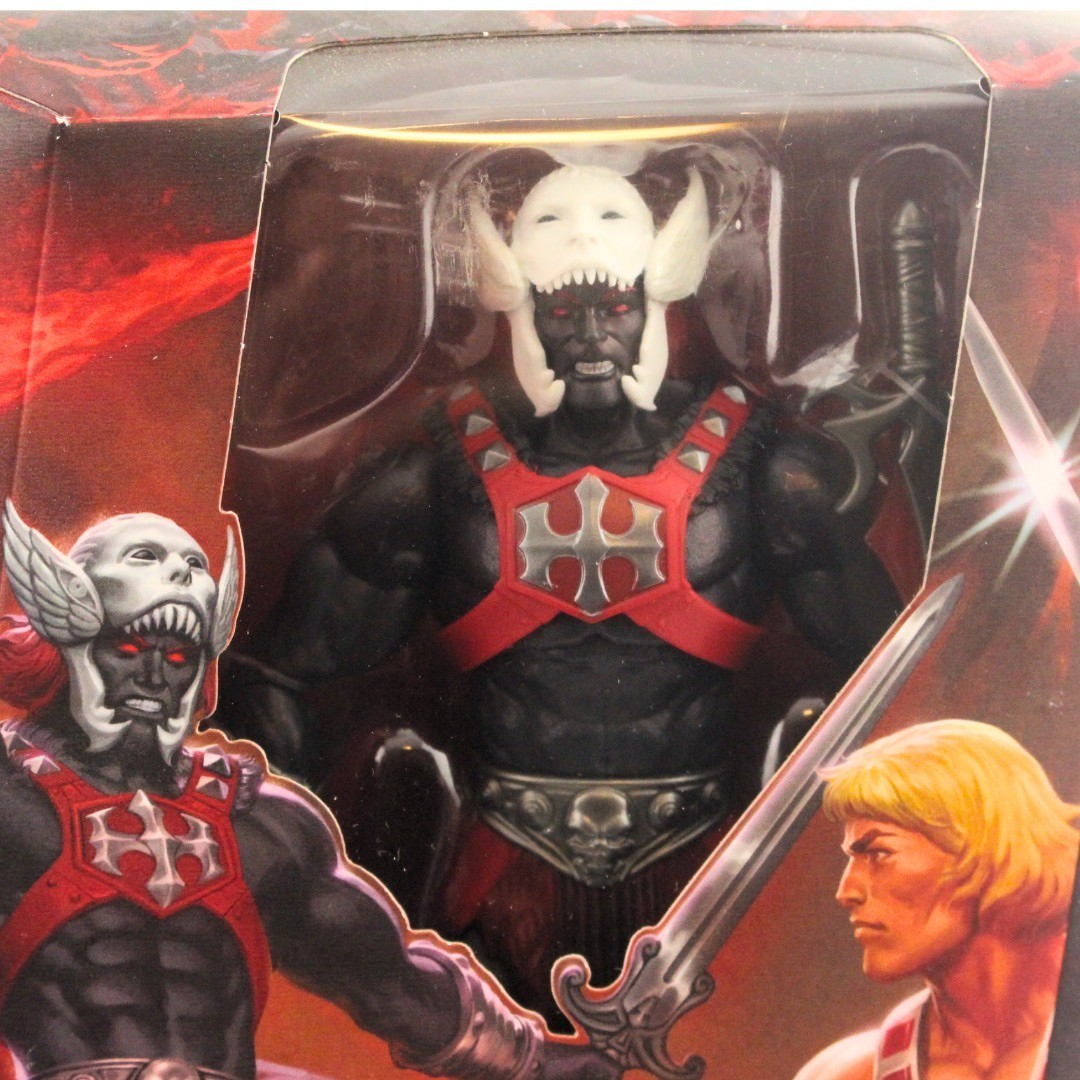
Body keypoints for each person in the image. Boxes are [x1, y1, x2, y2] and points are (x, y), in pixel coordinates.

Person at [225, 161, 901, 1012]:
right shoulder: (433, 475)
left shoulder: (765, 466)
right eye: (562, 312)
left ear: (653, 303)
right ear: (527, 313)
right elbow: (283, 674)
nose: (588, 334)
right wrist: (284, 869)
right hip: (502, 870)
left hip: (713, 864)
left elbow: (898, 677)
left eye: (612, 309)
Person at [0, 501, 616, 1080]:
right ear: (68, 641)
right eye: (131, 649)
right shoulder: (9, 801)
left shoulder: (262, 826)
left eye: (179, 658)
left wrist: (537, 1063)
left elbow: (390, 983)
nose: (155, 677)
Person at [795, 719, 1079, 1080]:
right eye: (853, 858)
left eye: (879, 853)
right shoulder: (848, 1073)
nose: (846, 892)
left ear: (983, 853)